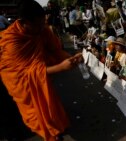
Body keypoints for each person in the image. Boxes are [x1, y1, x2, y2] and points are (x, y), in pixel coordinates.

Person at [0, 0, 83, 140]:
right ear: (24, 22)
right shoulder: (11, 41)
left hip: (41, 78)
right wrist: (61, 67)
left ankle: (55, 130)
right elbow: (26, 73)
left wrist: (72, 58)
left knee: (50, 107)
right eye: (36, 24)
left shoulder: (42, 29)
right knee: (36, 116)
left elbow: (55, 51)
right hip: (23, 86)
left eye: (42, 23)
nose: (41, 27)